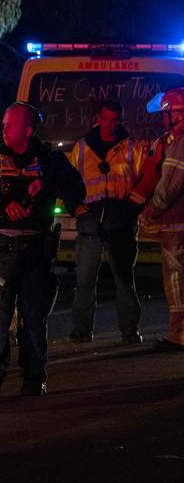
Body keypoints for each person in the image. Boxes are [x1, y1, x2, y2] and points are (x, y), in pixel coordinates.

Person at [0, 103, 85, 397]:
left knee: (33, 315)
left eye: (10, 125)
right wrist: (3, 204)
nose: (4, 129)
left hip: (37, 249)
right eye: (4, 124)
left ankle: (34, 378)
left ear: (28, 131)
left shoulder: (50, 161)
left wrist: (55, 192)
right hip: (3, 247)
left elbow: (75, 188)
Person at [65, 100, 146, 344]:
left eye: (114, 119)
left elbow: (144, 180)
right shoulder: (81, 148)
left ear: (120, 119)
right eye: (106, 119)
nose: (110, 124)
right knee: (85, 279)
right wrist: (74, 206)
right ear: (98, 118)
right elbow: (68, 180)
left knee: (124, 278)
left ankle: (129, 329)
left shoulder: (132, 147)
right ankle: (81, 329)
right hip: (91, 217)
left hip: (120, 217)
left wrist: (131, 209)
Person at [139, 88, 184, 351]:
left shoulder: (179, 144)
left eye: (166, 115)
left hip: (177, 223)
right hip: (176, 222)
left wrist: (150, 210)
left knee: (177, 279)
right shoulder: (172, 141)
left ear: (176, 115)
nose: (163, 121)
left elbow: (169, 188)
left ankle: (179, 335)